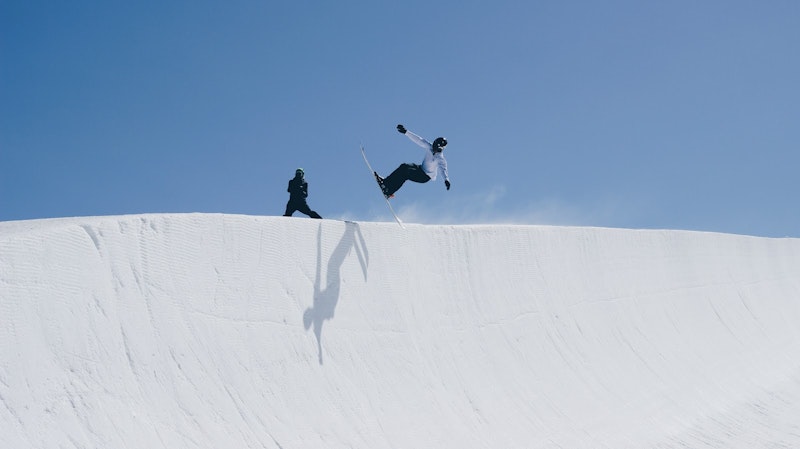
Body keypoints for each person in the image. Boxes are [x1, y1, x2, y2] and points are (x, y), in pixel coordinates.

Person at [374, 124, 451, 198]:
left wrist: (446, 180)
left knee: (405, 173)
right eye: (433, 145)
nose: (433, 148)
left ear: (440, 148)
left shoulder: (440, 159)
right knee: (404, 166)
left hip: (425, 176)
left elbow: (443, 170)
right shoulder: (430, 146)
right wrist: (406, 132)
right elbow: (419, 140)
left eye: (435, 147)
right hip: (420, 168)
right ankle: (385, 182)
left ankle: (389, 191)